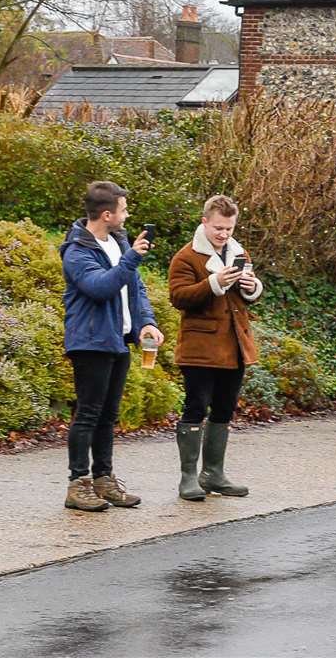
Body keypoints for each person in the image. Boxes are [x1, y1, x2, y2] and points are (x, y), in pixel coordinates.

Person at [59, 181, 163, 512]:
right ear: (107, 214)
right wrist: (131, 258)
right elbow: (100, 287)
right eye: (124, 209)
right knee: (88, 413)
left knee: (108, 415)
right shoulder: (77, 251)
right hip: (90, 340)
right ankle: (78, 484)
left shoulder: (118, 242)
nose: (127, 214)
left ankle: (104, 480)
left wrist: (147, 322)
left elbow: (136, 289)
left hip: (118, 340)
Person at [168, 195, 262, 501]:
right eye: (219, 228)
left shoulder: (238, 252)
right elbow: (179, 297)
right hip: (200, 347)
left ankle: (213, 474)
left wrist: (252, 288)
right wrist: (213, 282)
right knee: (196, 407)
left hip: (234, 345)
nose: (224, 234)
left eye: (229, 228)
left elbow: (246, 294)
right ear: (204, 221)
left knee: (224, 408)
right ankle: (188, 477)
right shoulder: (186, 257)